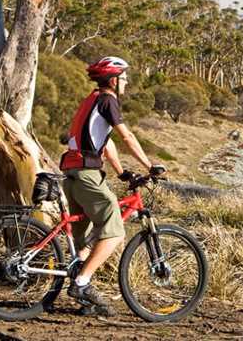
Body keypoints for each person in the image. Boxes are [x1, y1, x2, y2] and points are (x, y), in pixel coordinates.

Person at [59, 55, 164, 315]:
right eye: (124, 77)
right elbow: (125, 136)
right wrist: (150, 165)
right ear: (114, 80)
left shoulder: (91, 100)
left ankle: (85, 298)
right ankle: (82, 284)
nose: (126, 81)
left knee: (85, 241)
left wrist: (121, 173)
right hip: (86, 175)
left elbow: (104, 143)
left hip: (72, 173)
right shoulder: (109, 100)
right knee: (116, 231)